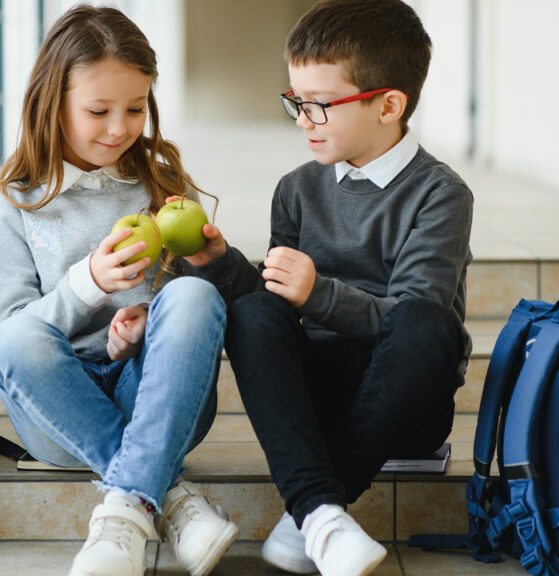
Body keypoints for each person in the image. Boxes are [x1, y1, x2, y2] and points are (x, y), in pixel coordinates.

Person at [179, 1, 473, 574]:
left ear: (389, 105)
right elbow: (276, 302)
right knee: (253, 315)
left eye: (320, 105)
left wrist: (319, 295)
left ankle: (308, 507)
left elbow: (413, 320)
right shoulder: (296, 189)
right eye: (296, 101)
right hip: (316, 398)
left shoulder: (441, 194)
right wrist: (217, 261)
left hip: (405, 402)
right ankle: (321, 518)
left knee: (428, 323)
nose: (303, 120)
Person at [0, 5, 238, 576]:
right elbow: (19, 335)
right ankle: (168, 497)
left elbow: (189, 318)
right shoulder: (16, 204)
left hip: (155, 397)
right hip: (60, 413)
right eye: (98, 110)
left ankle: (124, 511)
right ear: (53, 103)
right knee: (11, 342)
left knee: (196, 298)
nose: (120, 128)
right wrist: (89, 284)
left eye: (136, 108)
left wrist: (153, 315)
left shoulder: (162, 184)